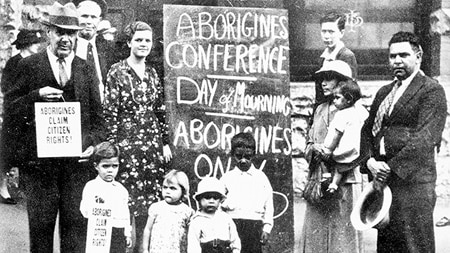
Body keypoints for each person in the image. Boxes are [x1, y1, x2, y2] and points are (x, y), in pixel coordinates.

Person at [3, 2, 105, 252]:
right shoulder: (28, 66)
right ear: (48, 32)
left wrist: (92, 145)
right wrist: (35, 95)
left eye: (71, 33)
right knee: (41, 232)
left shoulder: (85, 68)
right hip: (40, 169)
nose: (66, 39)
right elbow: (11, 113)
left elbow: (99, 121)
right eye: (60, 32)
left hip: (76, 168)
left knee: (74, 232)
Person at [359, 31, 447, 252]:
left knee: (415, 245)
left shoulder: (431, 90)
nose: (397, 60)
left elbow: (426, 138)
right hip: (384, 184)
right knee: (388, 246)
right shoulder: (384, 92)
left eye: (403, 55)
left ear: (418, 56)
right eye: (392, 56)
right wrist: (369, 162)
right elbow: (367, 131)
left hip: (414, 185)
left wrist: (389, 168)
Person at [103, 20, 173, 253]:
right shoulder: (117, 71)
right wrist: (113, 147)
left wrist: (164, 143)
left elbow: (160, 110)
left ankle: (143, 249)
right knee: (127, 200)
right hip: (127, 143)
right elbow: (110, 111)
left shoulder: (152, 73)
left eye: (147, 41)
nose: (143, 44)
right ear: (129, 42)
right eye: (139, 40)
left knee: (148, 202)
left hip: (151, 144)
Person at [302, 60, 363, 253]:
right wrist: (315, 150)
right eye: (322, 79)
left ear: (344, 83)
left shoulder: (357, 113)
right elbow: (309, 142)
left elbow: (361, 148)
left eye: (329, 78)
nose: (323, 83)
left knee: (343, 237)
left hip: (345, 179)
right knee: (316, 238)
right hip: (319, 180)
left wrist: (334, 155)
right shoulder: (319, 109)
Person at [0, 29, 45, 205]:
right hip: (15, 114)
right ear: (27, 44)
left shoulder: (35, 62)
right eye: (35, 43)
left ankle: (25, 188)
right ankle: (3, 188)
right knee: (8, 153)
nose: (38, 46)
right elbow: (8, 89)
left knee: (27, 152)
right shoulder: (14, 63)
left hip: (31, 113)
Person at [220, 132, 273, 253]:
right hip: (232, 224)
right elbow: (218, 203)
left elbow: (268, 204)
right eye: (239, 156)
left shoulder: (261, 178)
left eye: (247, 156)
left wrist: (267, 228)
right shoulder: (227, 178)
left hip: (254, 227)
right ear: (233, 155)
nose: (243, 160)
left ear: (253, 155)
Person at [80, 142, 132, 252]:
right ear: (96, 166)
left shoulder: (121, 189)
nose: (110, 170)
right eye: (105, 166)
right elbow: (85, 211)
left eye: (114, 166)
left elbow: (125, 214)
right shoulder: (91, 187)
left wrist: (127, 234)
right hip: (98, 231)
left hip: (117, 232)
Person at [318, 79, 368, 193]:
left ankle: (330, 180)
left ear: (349, 99)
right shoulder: (358, 112)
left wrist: (329, 149)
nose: (334, 101)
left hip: (344, 148)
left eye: (337, 98)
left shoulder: (342, 114)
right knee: (342, 167)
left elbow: (337, 134)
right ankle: (334, 184)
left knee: (334, 162)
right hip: (355, 149)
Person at [142, 169, 194, 253]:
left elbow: (191, 235)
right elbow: (147, 229)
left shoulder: (187, 211)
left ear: (183, 191)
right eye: (165, 187)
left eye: (173, 188)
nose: (168, 191)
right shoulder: (156, 208)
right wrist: (145, 249)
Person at [75, 0, 115, 101]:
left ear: (99, 20)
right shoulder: (67, 47)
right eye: (84, 16)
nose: (89, 22)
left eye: (93, 17)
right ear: (76, 18)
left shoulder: (107, 48)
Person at [188, 177, 241, 253]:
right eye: (207, 197)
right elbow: (193, 245)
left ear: (220, 200)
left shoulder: (225, 218)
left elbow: (235, 239)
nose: (211, 201)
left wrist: (236, 250)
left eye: (215, 198)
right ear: (199, 199)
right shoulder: (197, 221)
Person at [315, 12, 358, 105]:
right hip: (323, 111)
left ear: (341, 33)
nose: (326, 36)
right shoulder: (323, 58)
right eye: (324, 31)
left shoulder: (346, 56)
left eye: (331, 32)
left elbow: (350, 91)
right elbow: (319, 95)